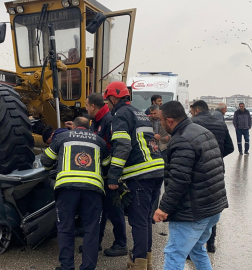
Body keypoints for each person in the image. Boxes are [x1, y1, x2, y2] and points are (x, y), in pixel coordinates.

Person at [154, 101, 228, 270]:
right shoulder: (202, 131)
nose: (161, 124)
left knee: (174, 254)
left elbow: (179, 181)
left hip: (193, 211)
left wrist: (163, 208)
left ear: (170, 120)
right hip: (213, 207)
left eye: (162, 120)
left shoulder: (182, 140)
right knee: (196, 248)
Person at [104, 81, 164, 270]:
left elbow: (122, 145)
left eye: (108, 100)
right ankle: (147, 261)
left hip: (141, 173)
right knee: (146, 219)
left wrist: (113, 177)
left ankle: (138, 264)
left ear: (114, 98)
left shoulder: (120, 115)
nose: (107, 104)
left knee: (138, 221)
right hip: (156, 169)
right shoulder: (139, 113)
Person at [40, 117, 110, 270]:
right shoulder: (99, 141)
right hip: (93, 191)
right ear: (88, 127)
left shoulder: (62, 137)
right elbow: (106, 167)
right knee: (92, 230)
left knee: (65, 228)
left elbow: (46, 161)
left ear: (74, 127)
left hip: (67, 190)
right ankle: (88, 267)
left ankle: (67, 266)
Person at [77, 93, 128, 257]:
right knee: (100, 210)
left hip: (109, 173)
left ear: (93, 106)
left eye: (86, 105)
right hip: (100, 173)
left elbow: (115, 148)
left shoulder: (109, 120)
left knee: (114, 209)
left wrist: (113, 175)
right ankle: (95, 242)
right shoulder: (96, 120)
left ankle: (121, 243)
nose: (85, 108)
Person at [190, 100, 234, 253]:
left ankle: (194, 245)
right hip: (217, 169)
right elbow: (230, 147)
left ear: (196, 110)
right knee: (213, 205)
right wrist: (217, 156)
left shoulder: (192, 123)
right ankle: (211, 243)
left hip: (197, 171)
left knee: (196, 206)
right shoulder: (220, 123)